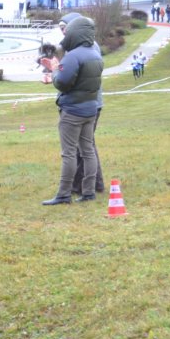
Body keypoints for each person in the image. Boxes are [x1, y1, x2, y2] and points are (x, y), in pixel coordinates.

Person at [40, 14, 103, 205]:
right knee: (88, 151)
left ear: (75, 32)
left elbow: (62, 83)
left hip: (73, 111)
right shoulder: (95, 54)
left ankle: (64, 194)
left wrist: (54, 69)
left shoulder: (73, 56)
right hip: (90, 109)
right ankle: (89, 191)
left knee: (69, 153)